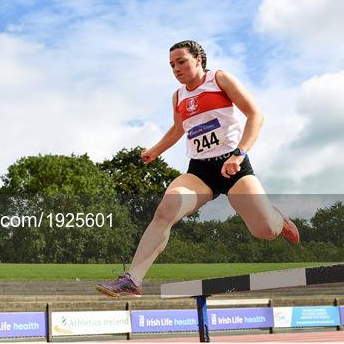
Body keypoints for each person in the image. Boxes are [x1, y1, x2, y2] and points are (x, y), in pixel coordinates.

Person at [96, 40, 299, 298]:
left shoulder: (219, 79)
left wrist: (240, 153)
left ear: (198, 60)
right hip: (199, 172)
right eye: (171, 65)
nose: (176, 69)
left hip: (233, 166)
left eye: (181, 61)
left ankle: (278, 219)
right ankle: (132, 280)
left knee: (265, 231)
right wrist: (156, 149)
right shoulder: (178, 96)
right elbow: (179, 129)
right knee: (165, 210)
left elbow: (255, 115)